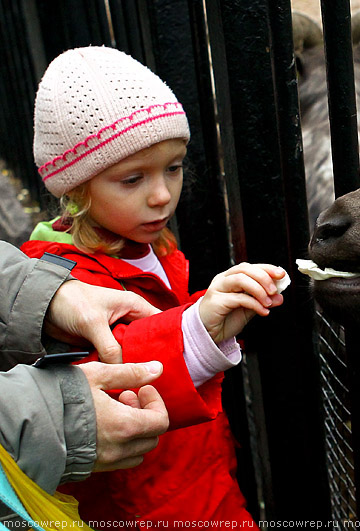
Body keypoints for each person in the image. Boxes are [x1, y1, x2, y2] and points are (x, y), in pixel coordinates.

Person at [21, 46, 288, 526]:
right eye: (132, 178)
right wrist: (199, 329)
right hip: (147, 506)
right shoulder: (55, 281)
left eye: (174, 166)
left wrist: (219, 320)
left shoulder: (153, 246)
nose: (162, 194)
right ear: (76, 187)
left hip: (201, 478)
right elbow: (102, 379)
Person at [0, 241, 170, 511]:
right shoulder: (67, 260)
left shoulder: (169, 255)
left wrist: (42, 297)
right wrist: (62, 418)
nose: (161, 197)